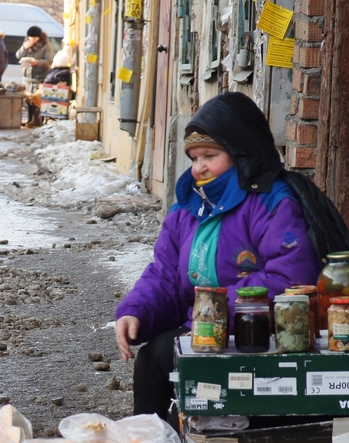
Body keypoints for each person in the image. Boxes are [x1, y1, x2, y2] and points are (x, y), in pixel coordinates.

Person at [114, 93, 321, 423]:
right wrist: (135, 311)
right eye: (194, 159)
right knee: (152, 359)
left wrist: (217, 311)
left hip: (260, 335)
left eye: (210, 155)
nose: (199, 168)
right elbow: (165, 274)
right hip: (203, 330)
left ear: (241, 153)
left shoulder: (271, 203)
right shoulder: (188, 207)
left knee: (184, 363)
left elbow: (291, 277)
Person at [16, 27, 53, 127]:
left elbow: (48, 61)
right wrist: (24, 47)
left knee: (37, 99)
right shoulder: (27, 44)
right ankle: (30, 119)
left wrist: (36, 62)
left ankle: (37, 121)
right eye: (30, 38)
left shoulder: (46, 45)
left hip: (39, 76)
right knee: (28, 100)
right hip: (27, 77)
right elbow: (18, 55)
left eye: (34, 38)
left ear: (39, 37)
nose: (32, 40)